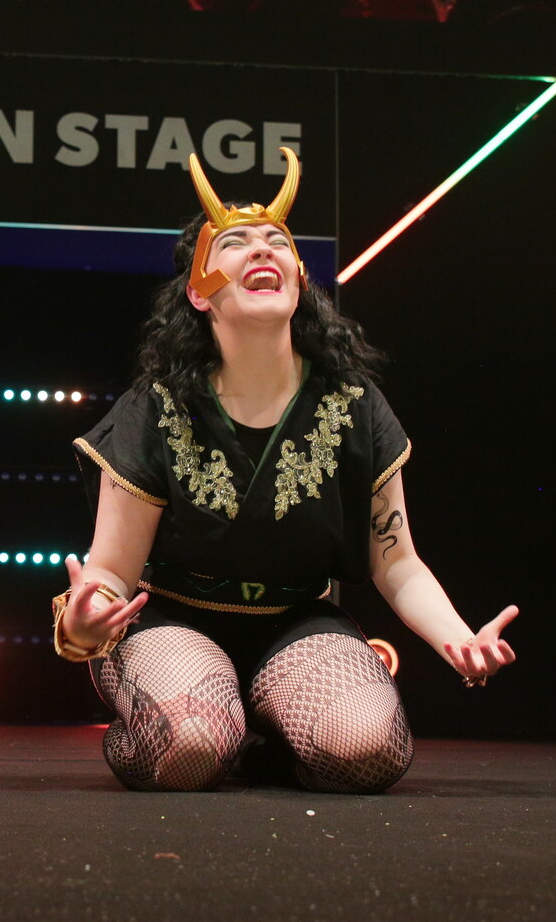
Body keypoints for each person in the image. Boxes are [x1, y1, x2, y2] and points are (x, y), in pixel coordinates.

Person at [57, 149, 518, 793]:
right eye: (235, 243)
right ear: (199, 291)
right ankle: (193, 724)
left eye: (277, 242)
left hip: (295, 622)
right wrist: (81, 626)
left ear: (298, 281)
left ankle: (261, 735)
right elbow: (111, 569)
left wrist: (459, 640)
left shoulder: (352, 403)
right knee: (187, 750)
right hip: (175, 620)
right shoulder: (157, 406)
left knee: (364, 753)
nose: (261, 249)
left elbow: (397, 563)